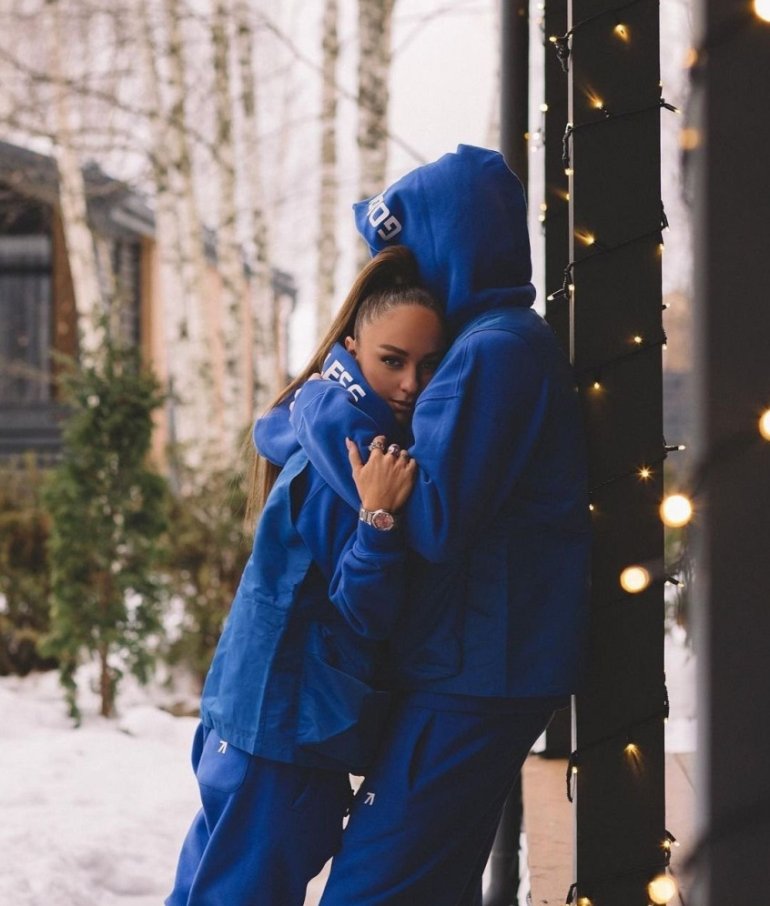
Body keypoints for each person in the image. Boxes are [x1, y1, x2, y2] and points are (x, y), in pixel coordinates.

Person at [287, 145, 592, 904]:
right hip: (483, 663)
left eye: (410, 255)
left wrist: (319, 406)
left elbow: (430, 515)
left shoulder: (493, 351)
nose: (406, 281)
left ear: (449, 244)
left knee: (371, 887)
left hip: (476, 672)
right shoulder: (499, 344)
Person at [166, 245, 447, 906]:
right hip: (284, 732)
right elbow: (363, 611)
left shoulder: (315, 428)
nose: (411, 384)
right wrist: (380, 518)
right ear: (352, 348)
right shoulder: (353, 466)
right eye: (392, 360)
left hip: (251, 721)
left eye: (430, 365)